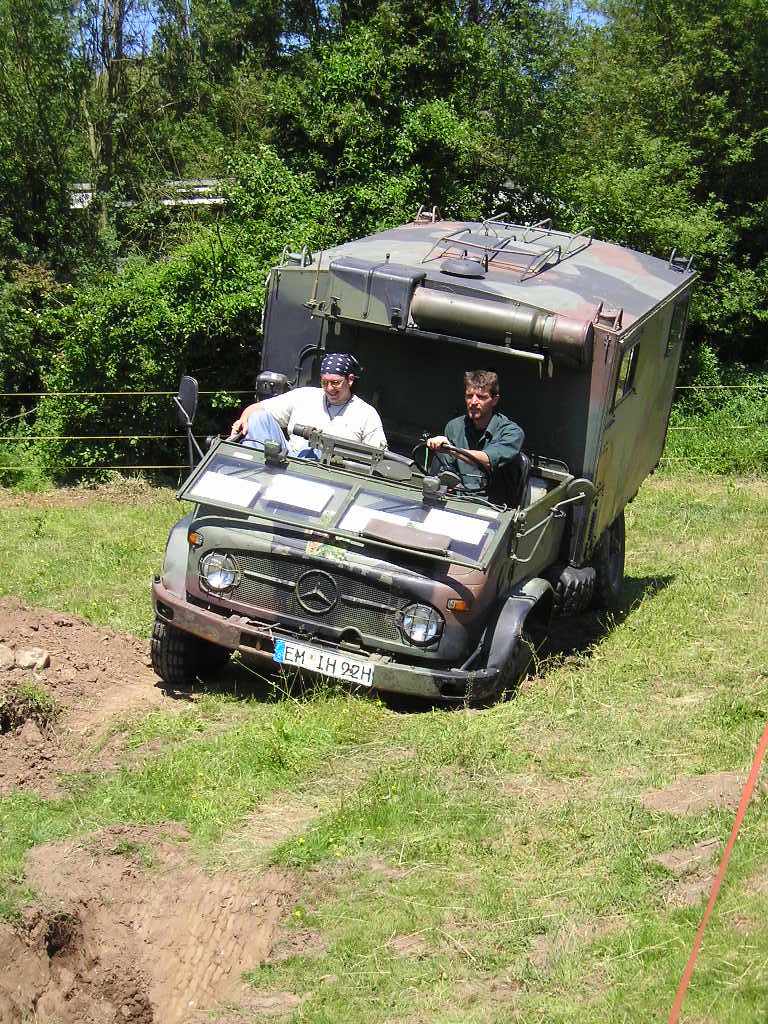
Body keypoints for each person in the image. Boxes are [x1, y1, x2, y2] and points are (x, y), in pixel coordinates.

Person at [231, 352, 387, 457]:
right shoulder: (305, 396)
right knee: (258, 418)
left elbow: (379, 455)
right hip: (289, 458)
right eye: (324, 382)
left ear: (350, 380)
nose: (329, 388)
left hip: (331, 473)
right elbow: (257, 409)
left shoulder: (366, 414)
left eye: (335, 383)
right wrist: (243, 420)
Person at [426, 370, 524, 500]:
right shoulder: (454, 427)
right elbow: (448, 470)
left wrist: (450, 449)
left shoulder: (512, 433)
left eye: (481, 397)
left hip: (495, 508)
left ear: (494, 400)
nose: (473, 402)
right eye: (469, 396)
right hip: (459, 502)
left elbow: (487, 461)